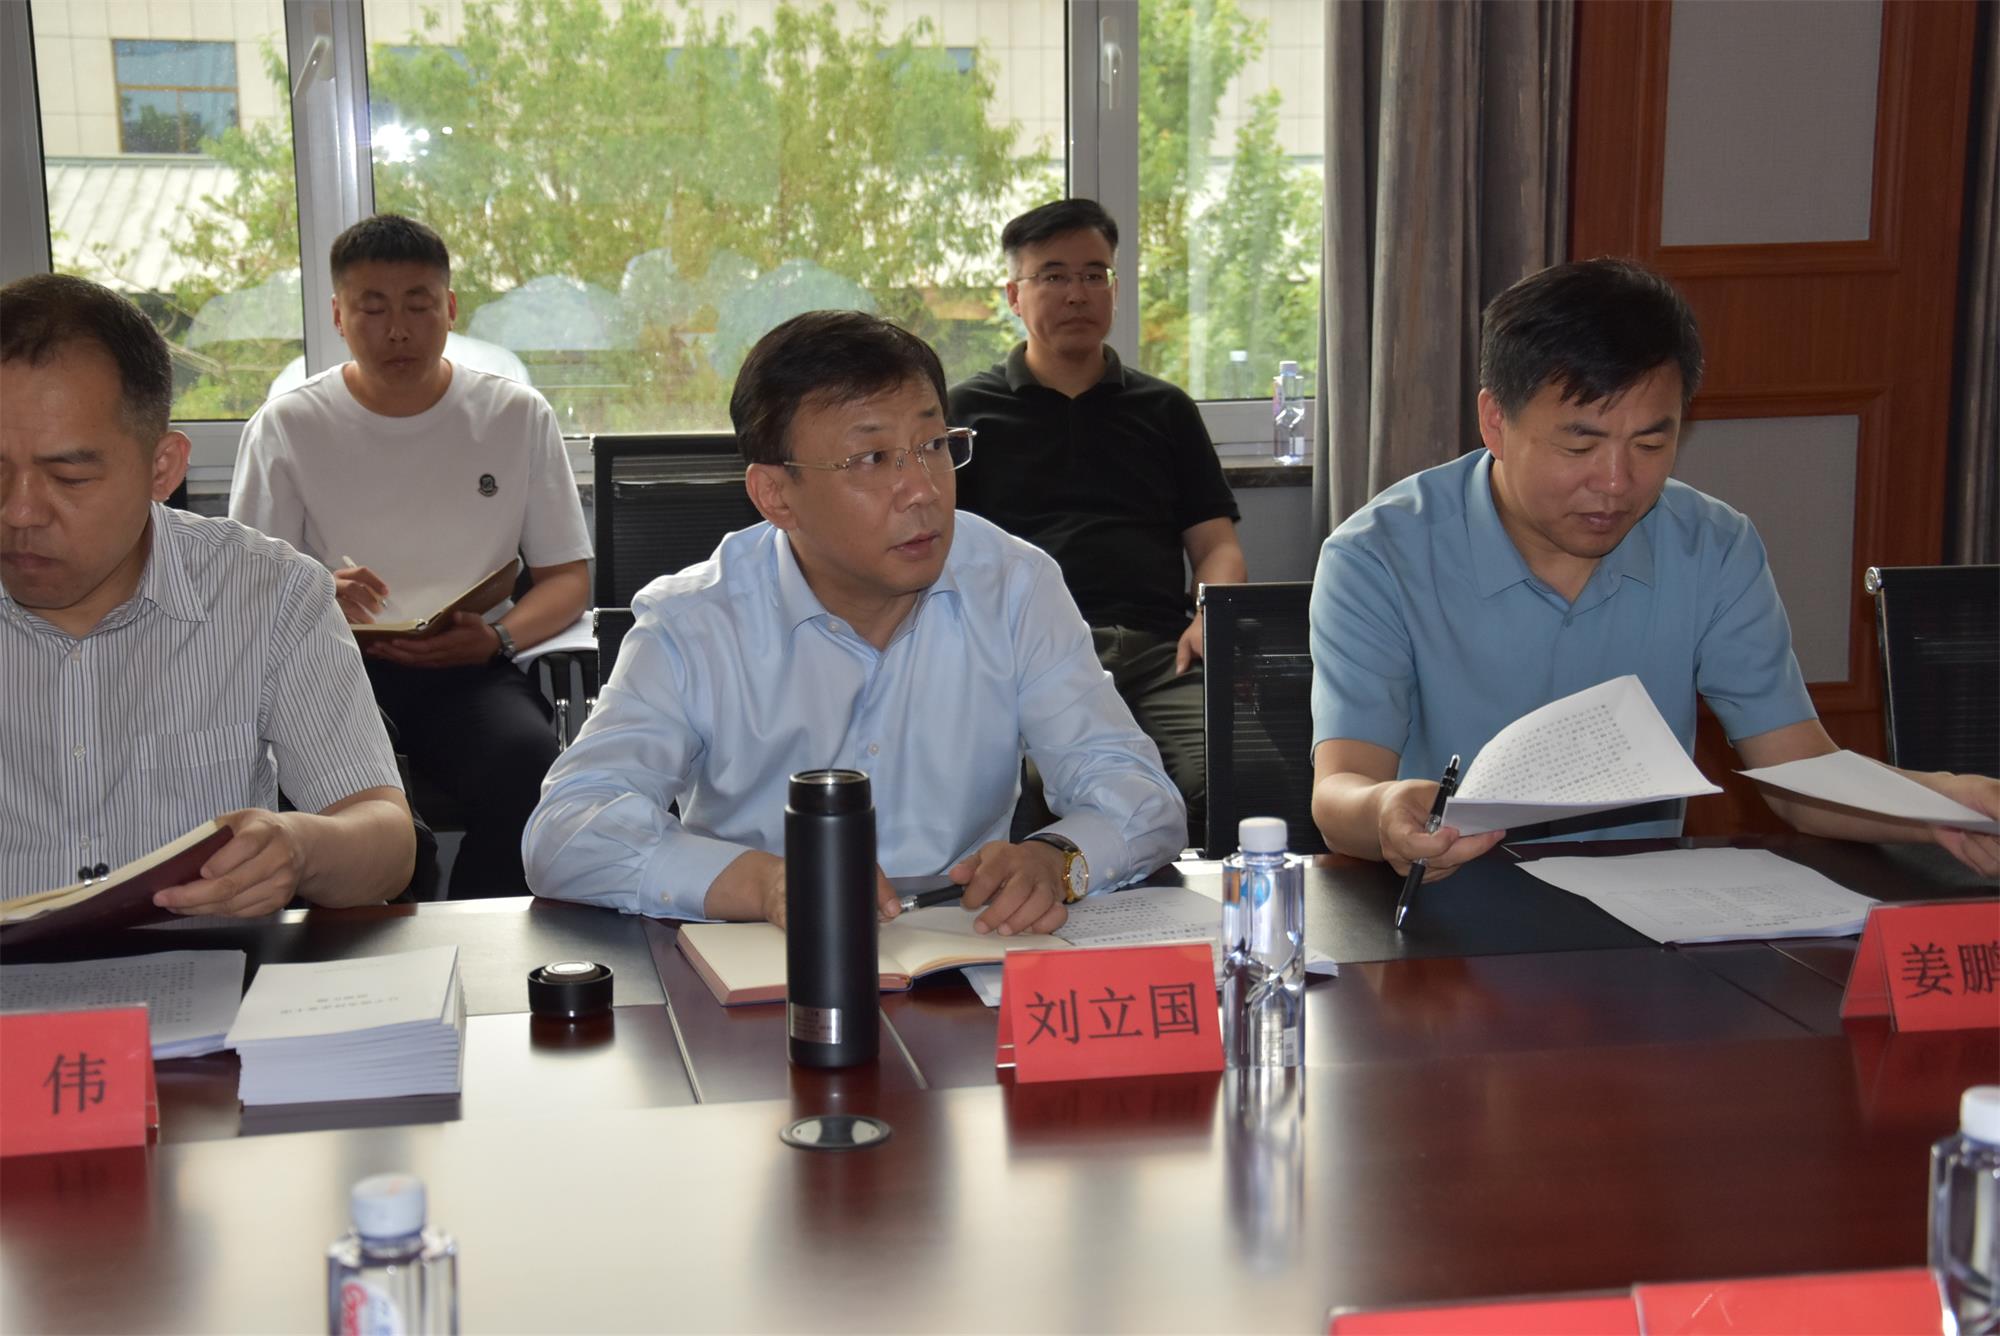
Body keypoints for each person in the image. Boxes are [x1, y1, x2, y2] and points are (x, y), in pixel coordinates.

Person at [1308, 257, 2000, 882]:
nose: (1616, 483)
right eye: (1580, 444)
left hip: (1644, 918)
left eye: (1649, 443)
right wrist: (1388, 811)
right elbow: (1341, 790)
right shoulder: (1378, 557)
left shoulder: (1712, 546)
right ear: (1495, 421)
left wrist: (1948, 802)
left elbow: (1798, 775)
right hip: (1449, 914)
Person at [525, 310, 1186, 935]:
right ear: (776, 495)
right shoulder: (694, 622)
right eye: (871, 459)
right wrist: (767, 883)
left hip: (967, 950)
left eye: (933, 445)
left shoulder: (1014, 585)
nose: (923, 489)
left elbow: (1140, 796)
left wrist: (1056, 860)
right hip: (762, 959)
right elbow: (567, 830)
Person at [1, 274, 414, 913]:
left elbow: (386, 843)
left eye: (70, 477)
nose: (20, 511)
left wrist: (299, 848)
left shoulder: (266, 593)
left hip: (211, 968)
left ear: (162, 467)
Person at [230, 215, 591, 898]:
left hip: (471, 668)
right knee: (366, 808)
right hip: (334, 671)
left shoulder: (515, 415)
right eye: (372, 308)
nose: (397, 330)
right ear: (338, 316)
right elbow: (246, 582)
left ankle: (483, 940)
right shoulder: (288, 424)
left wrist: (498, 637)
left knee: (530, 771)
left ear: (449, 308)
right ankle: (389, 943)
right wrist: (318, 590)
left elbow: (566, 578)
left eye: (418, 306)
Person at [949, 198, 1246, 844]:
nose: (1076, 293)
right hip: (1028, 656)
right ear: (1014, 295)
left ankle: (1181, 910)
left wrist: (1210, 618)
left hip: (1159, 651)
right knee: (1030, 798)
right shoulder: (965, 415)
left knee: (1221, 781)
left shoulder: (1165, 409)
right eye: (1053, 275)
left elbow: (1216, 545)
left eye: (1094, 274)